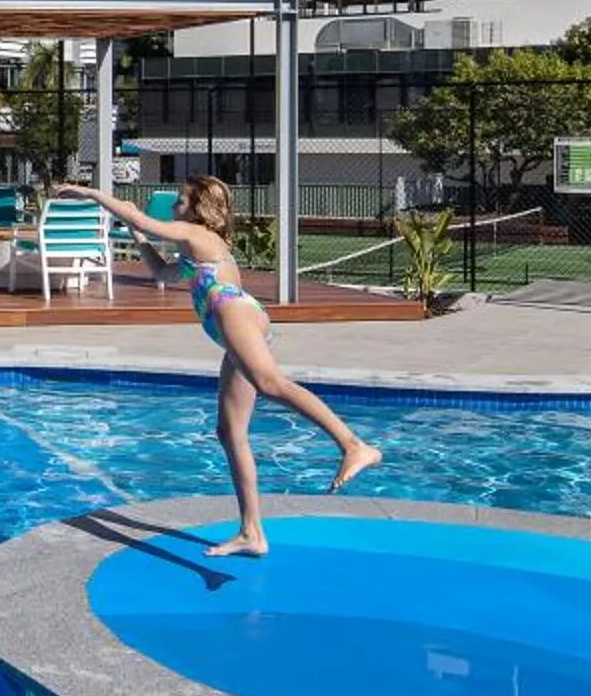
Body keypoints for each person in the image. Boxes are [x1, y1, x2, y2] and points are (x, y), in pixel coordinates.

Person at [52, 176, 383, 557]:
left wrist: (92, 194)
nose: (173, 206)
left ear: (197, 210)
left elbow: (141, 218)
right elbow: (162, 273)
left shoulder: (196, 233)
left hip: (234, 314)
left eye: (180, 201)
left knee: (270, 383)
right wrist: (137, 236)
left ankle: (353, 445)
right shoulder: (195, 247)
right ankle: (252, 532)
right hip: (232, 323)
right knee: (230, 432)